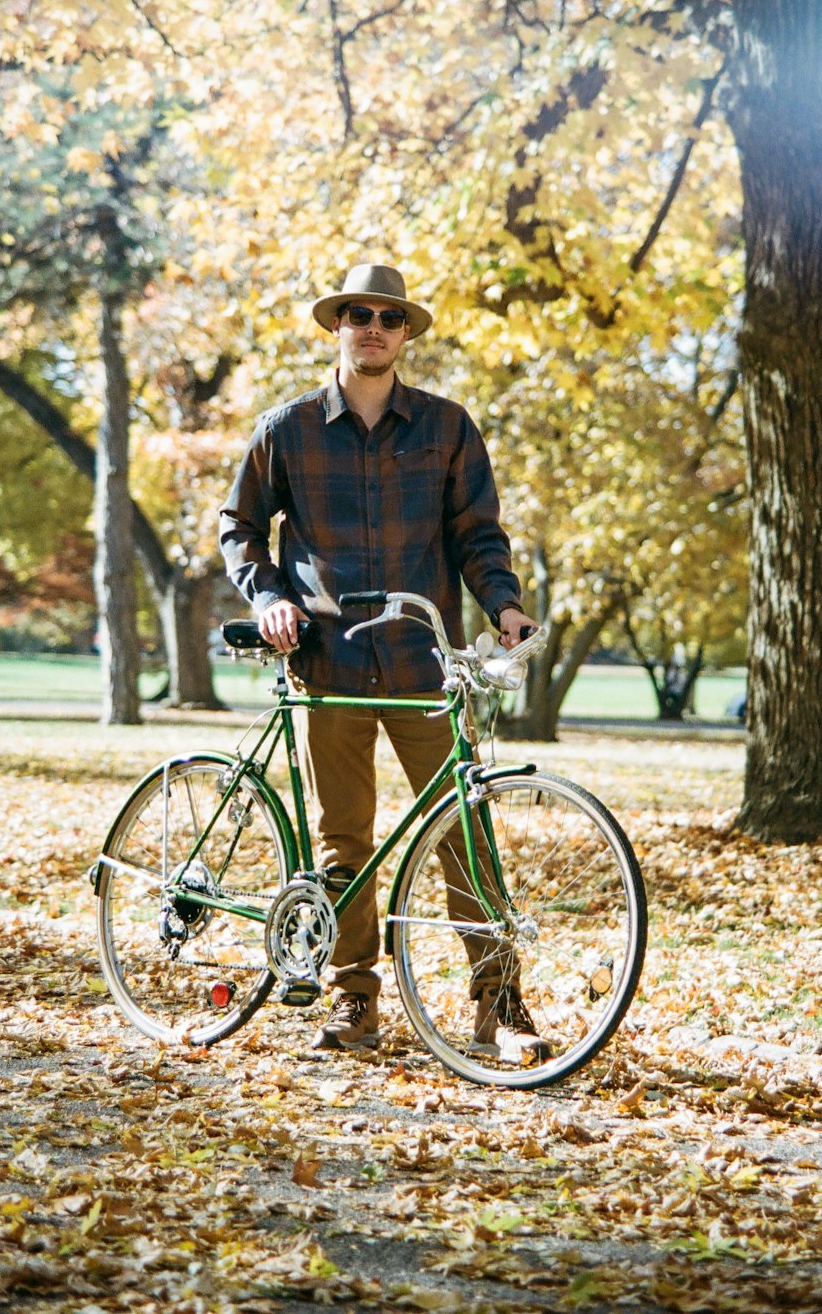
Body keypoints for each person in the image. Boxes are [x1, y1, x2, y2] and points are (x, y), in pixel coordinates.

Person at [219, 263, 546, 1058]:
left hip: (420, 667)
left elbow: (477, 535)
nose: (373, 326)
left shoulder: (447, 426)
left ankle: (497, 1005)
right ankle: (354, 1002)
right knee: (345, 843)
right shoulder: (286, 428)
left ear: (405, 333)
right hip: (325, 663)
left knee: (465, 831)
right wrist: (267, 597)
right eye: (358, 313)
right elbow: (239, 527)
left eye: (389, 317)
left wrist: (502, 603)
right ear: (337, 325)